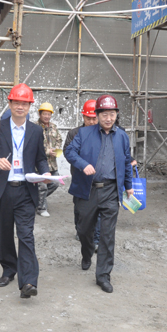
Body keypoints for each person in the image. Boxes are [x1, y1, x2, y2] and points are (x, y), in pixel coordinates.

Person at [0, 83, 50, 299]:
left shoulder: (36, 131)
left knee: (26, 235)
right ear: (9, 104)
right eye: (16, 102)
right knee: (6, 233)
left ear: (29, 106)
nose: (20, 107)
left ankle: (28, 281)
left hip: (26, 191)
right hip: (3, 190)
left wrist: (45, 173)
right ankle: (8, 270)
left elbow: (40, 158)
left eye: (24, 103)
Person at [65, 94, 132, 294]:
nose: (108, 118)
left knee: (107, 235)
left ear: (116, 114)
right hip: (88, 189)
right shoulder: (84, 133)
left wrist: (128, 186)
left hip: (111, 190)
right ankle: (86, 254)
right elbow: (69, 152)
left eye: (112, 114)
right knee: (84, 229)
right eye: (104, 115)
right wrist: (82, 164)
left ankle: (103, 276)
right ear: (97, 115)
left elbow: (126, 162)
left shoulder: (122, 136)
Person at [64, 99, 101, 245]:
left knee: (98, 209)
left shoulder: (103, 133)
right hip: (79, 177)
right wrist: (82, 165)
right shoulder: (74, 133)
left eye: (94, 118)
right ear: (83, 117)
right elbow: (68, 153)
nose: (91, 122)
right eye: (88, 118)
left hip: (98, 180)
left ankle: (96, 238)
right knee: (79, 208)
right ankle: (80, 230)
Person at [36, 102, 62, 218]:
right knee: (42, 186)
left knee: (55, 183)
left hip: (52, 163)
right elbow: (33, 144)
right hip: (39, 164)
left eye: (49, 114)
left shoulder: (53, 127)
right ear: (40, 114)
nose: (47, 116)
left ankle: (37, 199)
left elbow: (59, 139)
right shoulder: (34, 127)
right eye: (44, 114)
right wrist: (47, 151)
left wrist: (57, 148)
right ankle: (41, 208)